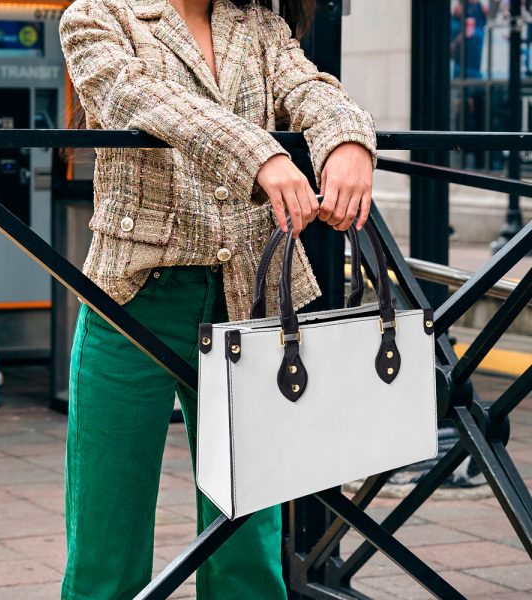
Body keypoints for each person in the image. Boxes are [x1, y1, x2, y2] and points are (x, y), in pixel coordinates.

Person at [58, 0, 377, 598]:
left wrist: (348, 142)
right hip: (135, 300)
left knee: (248, 544)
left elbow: (310, 88)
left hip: (249, 300)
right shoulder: (97, 15)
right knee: (108, 538)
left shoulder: (257, 24)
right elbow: (142, 99)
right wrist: (264, 155)